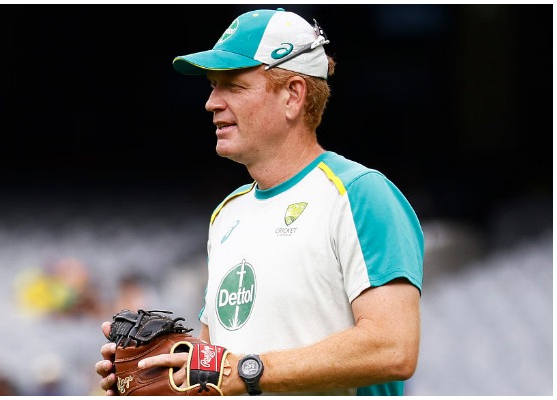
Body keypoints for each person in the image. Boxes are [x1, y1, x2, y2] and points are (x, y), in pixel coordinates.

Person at [95, 7, 424, 396]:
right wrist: (164, 374)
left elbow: (393, 348)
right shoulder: (226, 214)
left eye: (233, 85)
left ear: (293, 95)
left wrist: (246, 370)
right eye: (212, 86)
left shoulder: (360, 195)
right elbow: (219, 369)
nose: (211, 103)